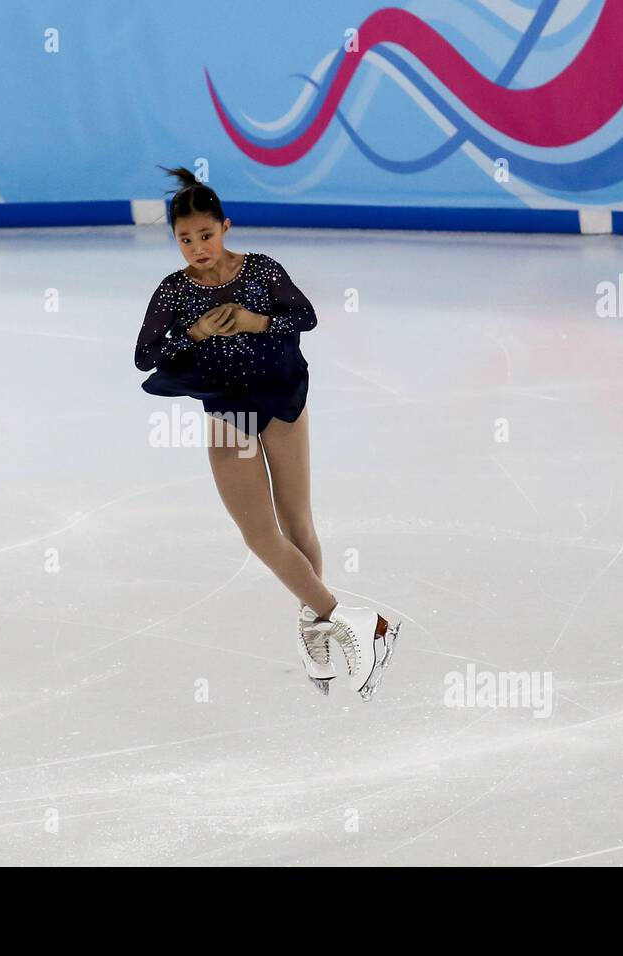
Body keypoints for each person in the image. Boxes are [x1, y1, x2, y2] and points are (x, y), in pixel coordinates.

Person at [133, 165, 401, 700]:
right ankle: (354, 623)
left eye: (205, 235)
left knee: (295, 518)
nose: (196, 248)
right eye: (185, 239)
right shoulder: (174, 291)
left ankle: (319, 630)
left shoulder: (260, 270)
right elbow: (145, 356)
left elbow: (305, 317)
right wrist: (195, 330)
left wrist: (256, 321)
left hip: (282, 399)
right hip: (230, 413)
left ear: (225, 227)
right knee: (259, 535)